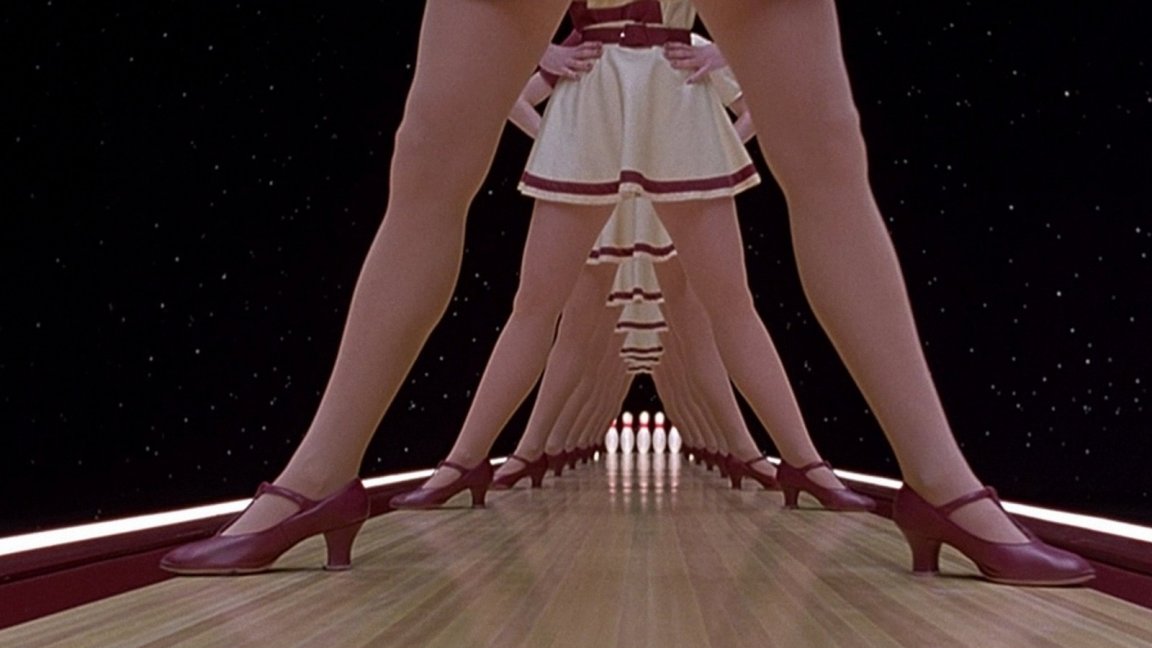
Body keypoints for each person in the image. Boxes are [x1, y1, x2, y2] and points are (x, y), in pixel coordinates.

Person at [161, 0, 1093, 586]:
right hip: (600, 81)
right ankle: (324, 479)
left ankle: (934, 482)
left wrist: (718, 73)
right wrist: (544, 73)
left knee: (827, 161)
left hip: (664, 81)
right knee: (430, 165)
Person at [392, 19, 873, 512]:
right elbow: (508, 39)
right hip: (595, 101)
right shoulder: (583, 49)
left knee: (730, 306)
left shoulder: (693, 44)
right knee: (536, 306)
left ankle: (802, 461)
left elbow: (765, 36)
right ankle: (467, 460)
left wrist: (729, 54)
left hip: (673, 100)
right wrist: (542, 53)